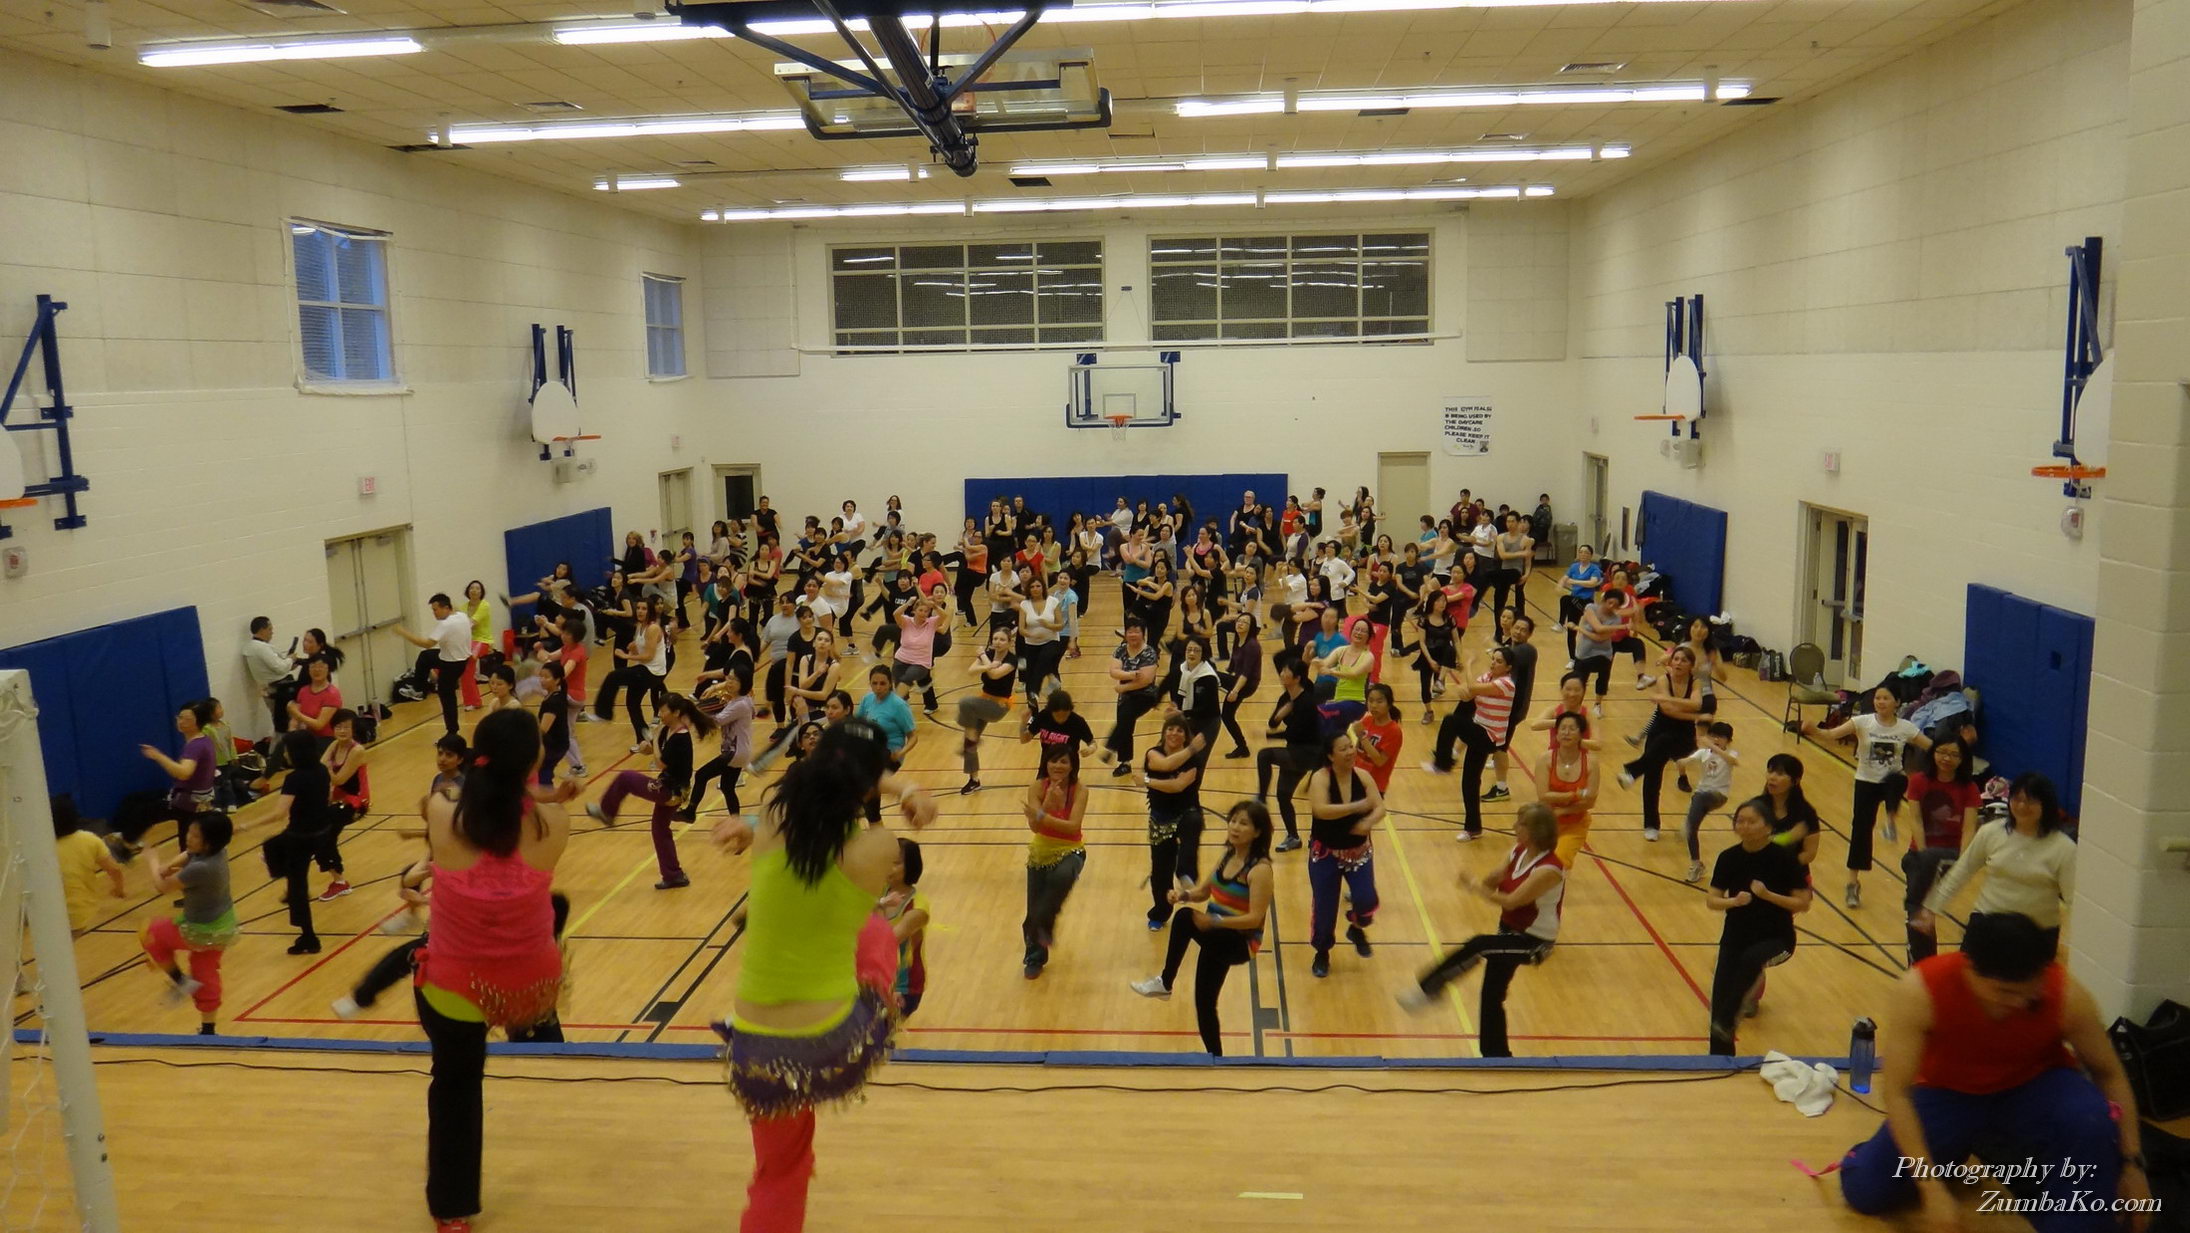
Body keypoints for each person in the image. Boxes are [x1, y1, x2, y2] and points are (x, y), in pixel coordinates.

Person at [1836, 912, 2151, 1233]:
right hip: (1947, 1092)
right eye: (2004, 992)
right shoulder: (1921, 990)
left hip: (2032, 1085)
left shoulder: (2066, 995)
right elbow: (1897, 1093)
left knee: (2089, 1118)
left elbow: (2109, 1074)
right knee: (1866, 1191)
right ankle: (1934, 1154)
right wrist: (1930, 1188)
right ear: (1969, 969)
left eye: (2027, 993)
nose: (2018, 1003)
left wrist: (2132, 1163)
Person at [415, 709, 575, 1233]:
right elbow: (520, 805)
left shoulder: (442, 809)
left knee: (456, 1087)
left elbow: (459, 801)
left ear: (474, 756)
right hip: (527, 985)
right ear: (533, 760)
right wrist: (547, 793)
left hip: (455, 985)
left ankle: (451, 1209)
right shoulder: (555, 821)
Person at [1398, 802, 1564, 1057]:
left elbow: (1512, 901)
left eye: (1520, 824)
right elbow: (1492, 881)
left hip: (1533, 942)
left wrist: (1475, 886)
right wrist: (1486, 880)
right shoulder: (1517, 852)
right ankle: (1496, 1055)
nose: (1514, 827)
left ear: (1533, 831)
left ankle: (1429, 988)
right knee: (1492, 993)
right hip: (1508, 930)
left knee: (1479, 945)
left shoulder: (1549, 869)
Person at [1129, 799, 1275, 1057]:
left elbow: (1254, 919)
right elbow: (1204, 892)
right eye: (1233, 820)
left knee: (1184, 919)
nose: (1235, 827)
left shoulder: (1260, 870)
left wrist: (1215, 921)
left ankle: (1165, 982)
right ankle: (1217, 1059)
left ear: (1258, 832)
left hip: (1239, 942)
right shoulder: (1227, 856)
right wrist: (1182, 895)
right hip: (1215, 934)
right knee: (1205, 1004)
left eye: (1244, 823)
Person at [1917, 772, 2077, 956]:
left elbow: (2073, 899)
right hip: (1987, 923)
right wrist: (1932, 908)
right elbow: (1962, 870)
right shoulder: (1991, 832)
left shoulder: (2064, 848)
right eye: (2017, 799)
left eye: (2030, 801)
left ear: (2046, 805)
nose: (2022, 806)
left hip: (2037, 933)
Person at [1803, 685, 1931, 907]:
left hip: (1891, 782)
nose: (1880, 702)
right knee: (1860, 831)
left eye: (1886, 698)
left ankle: (1890, 819)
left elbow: (1932, 747)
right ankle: (1852, 883)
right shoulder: (1863, 722)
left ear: (1897, 702)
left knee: (1897, 778)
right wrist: (1814, 730)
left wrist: (1953, 748)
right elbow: (1831, 734)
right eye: (1877, 698)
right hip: (1865, 782)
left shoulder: (1905, 727)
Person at [1704, 798, 1812, 1054]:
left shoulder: (1784, 858)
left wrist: (1768, 895)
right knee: (1719, 1004)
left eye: (1752, 821)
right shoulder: (1728, 857)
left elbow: (1803, 903)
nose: (1744, 826)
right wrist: (1732, 901)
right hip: (1734, 938)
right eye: (1740, 821)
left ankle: (1731, 1016)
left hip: (1777, 939)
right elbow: (1712, 899)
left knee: (1751, 960)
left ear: (1768, 826)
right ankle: (1719, 1061)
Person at [588, 695, 716, 890]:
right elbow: (656, 753)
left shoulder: (681, 737)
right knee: (660, 830)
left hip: (671, 790)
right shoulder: (667, 729)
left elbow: (661, 763)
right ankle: (674, 875)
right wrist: (646, 747)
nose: (660, 714)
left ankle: (607, 812)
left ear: (676, 713)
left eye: (663, 710)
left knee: (626, 778)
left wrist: (654, 740)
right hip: (668, 785)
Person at [139, 813, 237, 1036]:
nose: (188, 838)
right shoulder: (219, 851)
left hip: (201, 930)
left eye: (195, 835)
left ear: (209, 842)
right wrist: (169, 865)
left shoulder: (201, 868)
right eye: (190, 832)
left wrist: (153, 861)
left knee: (151, 932)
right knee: (205, 973)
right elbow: (189, 854)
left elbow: (163, 887)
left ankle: (181, 981)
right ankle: (208, 1030)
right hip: (222, 925)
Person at [1303, 731, 1382, 978]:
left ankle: (1356, 928)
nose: (1350, 752)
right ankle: (1322, 952)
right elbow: (1321, 810)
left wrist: (1368, 821)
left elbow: (1379, 807)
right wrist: (1357, 807)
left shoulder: (1363, 776)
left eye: (1351, 746)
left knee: (1367, 900)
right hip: (1326, 854)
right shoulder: (1320, 778)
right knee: (1325, 908)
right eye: (1343, 749)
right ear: (1330, 755)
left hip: (1358, 852)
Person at [1899, 735, 1979, 964]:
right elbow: (1915, 820)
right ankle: (1921, 964)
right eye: (1942, 752)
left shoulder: (1969, 788)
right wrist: (1923, 852)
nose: (1947, 758)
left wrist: (1963, 861)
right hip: (1921, 854)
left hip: (1950, 855)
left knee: (1920, 906)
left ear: (1962, 759)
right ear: (1933, 753)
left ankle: (1924, 965)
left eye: (1954, 755)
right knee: (1919, 910)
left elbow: (1969, 828)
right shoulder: (1918, 781)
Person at [1615, 645, 1704, 843]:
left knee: (1664, 741)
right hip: (1662, 729)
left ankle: (1632, 772)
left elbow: (1697, 704)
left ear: (1691, 666)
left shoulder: (1695, 682)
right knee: (1652, 777)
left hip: (1684, 736)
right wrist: (1693, 714)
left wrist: (1668, 699)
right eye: (1676, 659)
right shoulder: (1664, 680)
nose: (1678, 663)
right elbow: (1668, 710)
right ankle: (1651, 825)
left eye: (1684, 660)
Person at [1020, 745, 1088, 979]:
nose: (1058, 766)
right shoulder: (1037, 788)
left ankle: (1047, 920)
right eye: (1053, 761)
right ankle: (1034, 958)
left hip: (1071, 850)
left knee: (1062, 877)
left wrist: (1041, 815)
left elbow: (1073, 827)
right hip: (1040, 853)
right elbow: (1035, 827)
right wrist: (1048, 803)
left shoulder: (1080, 790)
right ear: (1045, 763)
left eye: (1064, 762)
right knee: (1033, 914)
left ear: (1072, 766)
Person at [1138, 713, 1206, 929]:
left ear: (1186, 735)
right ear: (1164, 732)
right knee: (1160, 871)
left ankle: (1186, 873)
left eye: (1179, 730)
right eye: (1170, 729)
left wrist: (1147, 781)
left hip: (1186, 811)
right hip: (1160, 818)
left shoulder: (1193, 759)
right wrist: (1192, 748)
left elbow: (1178, 786)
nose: (1174, 733)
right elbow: (1166, 765)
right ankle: (1160, 913)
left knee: (1193, 823)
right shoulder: (1153, 753)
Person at [1254, 653, 1318, 853]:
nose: (1281, 673)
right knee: (1283, 796)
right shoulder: (1286, 697)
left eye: (1286, 671)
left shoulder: (1307, 702)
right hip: (1293, 751)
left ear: (1297, 678)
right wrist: (1281, 714)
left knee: (1265, 755)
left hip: (1307, 753)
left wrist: (1269, 736)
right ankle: (1294, 837)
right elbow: (1273, 722)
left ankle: (1261, 798)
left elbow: (1297, 733)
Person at [395, 593, 475, 737]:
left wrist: (403, 633)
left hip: (451, 665)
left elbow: (427, 643)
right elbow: (455, 608)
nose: (434, 613)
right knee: (425, 657)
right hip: (459, 661)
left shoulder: (446, 624)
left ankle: (452, 732)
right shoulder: (462, 616)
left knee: (447, 697)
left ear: (446, 608)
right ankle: (418, 689)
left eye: (435, 609)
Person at [952, 627, 1019, 796]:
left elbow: (995, 675)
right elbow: (970, 671)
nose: (998, 642)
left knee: (965, 702)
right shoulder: (988, 655)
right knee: (969, 742)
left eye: (1002, 639)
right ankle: (974, 780)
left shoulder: (1012, 659)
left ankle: (972, 738)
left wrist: (983, 658)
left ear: (1009, 642)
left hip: (998, 706)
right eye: (995, 638)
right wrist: (987, 663)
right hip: (983, 701)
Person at [595, 598, 671, 747]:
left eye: (644, 609)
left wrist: (626, 656)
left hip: (652, 672)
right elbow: (641, 649)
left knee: (613, 676)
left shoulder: (653, 628)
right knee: (632, 704)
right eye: (638, 608)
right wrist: (633, 647)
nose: (640, 611)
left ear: (650, 611)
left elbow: (649, 656)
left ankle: (604, 713)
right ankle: (644, 739)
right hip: (645, 669)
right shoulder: (640, 626)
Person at [1532, 710, 1598, 868]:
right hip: (1546, 822)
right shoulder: (1545, 759)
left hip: (1575, 823)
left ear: (1581, 735)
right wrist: (1574, 795)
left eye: (1572, 728)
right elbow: (1543, 795)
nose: (1566, 732)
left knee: (1559, 861)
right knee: (1534, 863)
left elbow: (1590, 801)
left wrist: (1562, 811)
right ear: (1556, 733)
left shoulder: (1591, 763)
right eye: (1562, 728)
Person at [53, 797, 125, 937]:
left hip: (48, 914)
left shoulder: (42, 848)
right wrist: (119, 889)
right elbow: (114, 869)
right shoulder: (89, 839)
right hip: (80, 913)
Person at [690, 670, 756, 822]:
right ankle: (736, 822)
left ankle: (690, 811)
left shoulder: (740, 704)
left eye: (735, 680)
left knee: (701, 775)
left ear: (744, 684)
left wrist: (696, 712)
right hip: (739, 752)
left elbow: (717, 721)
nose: (730, 682)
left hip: (735, 752)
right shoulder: (742, 700)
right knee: (727, 788)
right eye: (729, 679)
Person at [1677, 721, 1739, 884]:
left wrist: (1712, 746)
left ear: (1728, 740)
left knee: (1699, 798)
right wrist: (1682, 765)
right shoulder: (1703, 753)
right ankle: (1696, 864)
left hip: (1718, 795)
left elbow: (1733, 761)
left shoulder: (1731, 753)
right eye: (1713, 736)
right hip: (1701, 795)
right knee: (1692, 830)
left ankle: (1688, 821)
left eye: (1721, 737)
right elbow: (1685, 761)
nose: (1716, 740)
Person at [1103, 620, 1163, 775]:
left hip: (1146, 695)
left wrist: (1123, 687)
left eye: (1137, 631)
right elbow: (1114, 671)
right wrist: (1131, 675)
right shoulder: (1121, 650)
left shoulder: (1149, 652)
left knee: (1125, 717)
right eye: (1130, 631)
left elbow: (1146, 680)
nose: (1133, 635)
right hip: (1125, 696)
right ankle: (1125, 763)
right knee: (1126, 724)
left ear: (1143, 634)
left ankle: (1110, 746)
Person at [882, 837, 930, 1018]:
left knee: (879, 1030)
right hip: (877, 980)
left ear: (910, 866)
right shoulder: (879, 891)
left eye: (896, 863)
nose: (888, 867)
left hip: (904, 986)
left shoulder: (918, 908)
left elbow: (888, 941)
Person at [243, 616, 306, 735]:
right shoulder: (260, 648)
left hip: (272, 687)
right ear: (262, 630)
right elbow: (279, 667)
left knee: (283, 721)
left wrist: (289, 664)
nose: (272, 632)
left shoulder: (251, 647)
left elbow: (277, 667)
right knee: (285, 723)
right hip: (278, 689)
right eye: (270, 629)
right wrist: (291, 659)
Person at [1558, 546, 1603, 661]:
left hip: (1586, 602)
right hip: (1575, 600)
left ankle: (1560, 624)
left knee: (1566, 599)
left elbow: (1592, 583)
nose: (1583, 554)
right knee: (1571, 629)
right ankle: (1572, 658)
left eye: (1586, 552)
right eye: (1581, 552)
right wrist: (1560, 584)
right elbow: (1565, 578)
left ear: (1590, 555)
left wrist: (1574, 581)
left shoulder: (1594, 569)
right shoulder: (1574, 567)